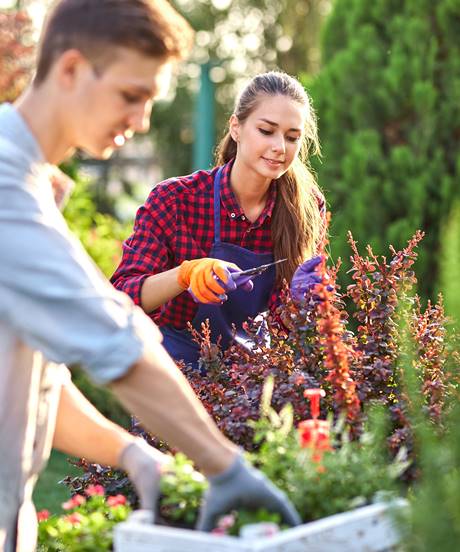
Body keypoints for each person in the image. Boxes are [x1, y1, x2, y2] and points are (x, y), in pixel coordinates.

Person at [0, 2, 300, 550]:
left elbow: (36, 382)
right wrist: (226, 468)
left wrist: (132, 453)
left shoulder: (33, 188)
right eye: (131, 96)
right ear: (69, 70)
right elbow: (119, 342)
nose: (141, 120)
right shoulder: (5, 192)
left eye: (149, 101)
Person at [111, 71, 325, 368]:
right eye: (266, 131)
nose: (280, 147)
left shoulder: (306, 206)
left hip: (250, 377)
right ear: (236, 128)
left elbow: (289, 328)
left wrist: (302, 304)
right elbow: (121, 296)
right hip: (175, 371)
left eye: (292, 137)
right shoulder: (175, 200)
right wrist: (184, 275)